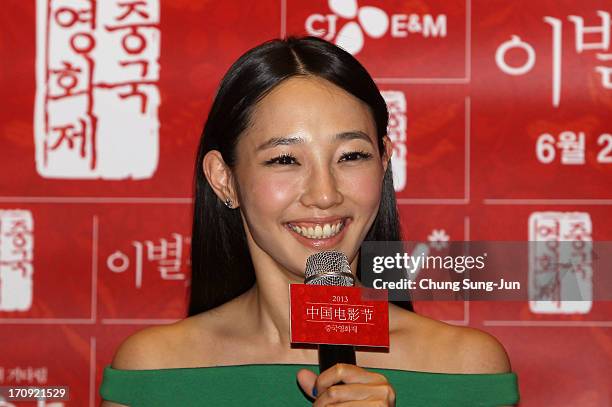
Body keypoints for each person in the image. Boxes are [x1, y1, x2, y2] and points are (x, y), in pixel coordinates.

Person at [100, 36, 519, 406]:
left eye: (352, 156)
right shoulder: (155, 372)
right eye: (284, 160)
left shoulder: (466, 370)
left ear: (385, 161)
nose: (324, 194)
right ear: (224, 179)